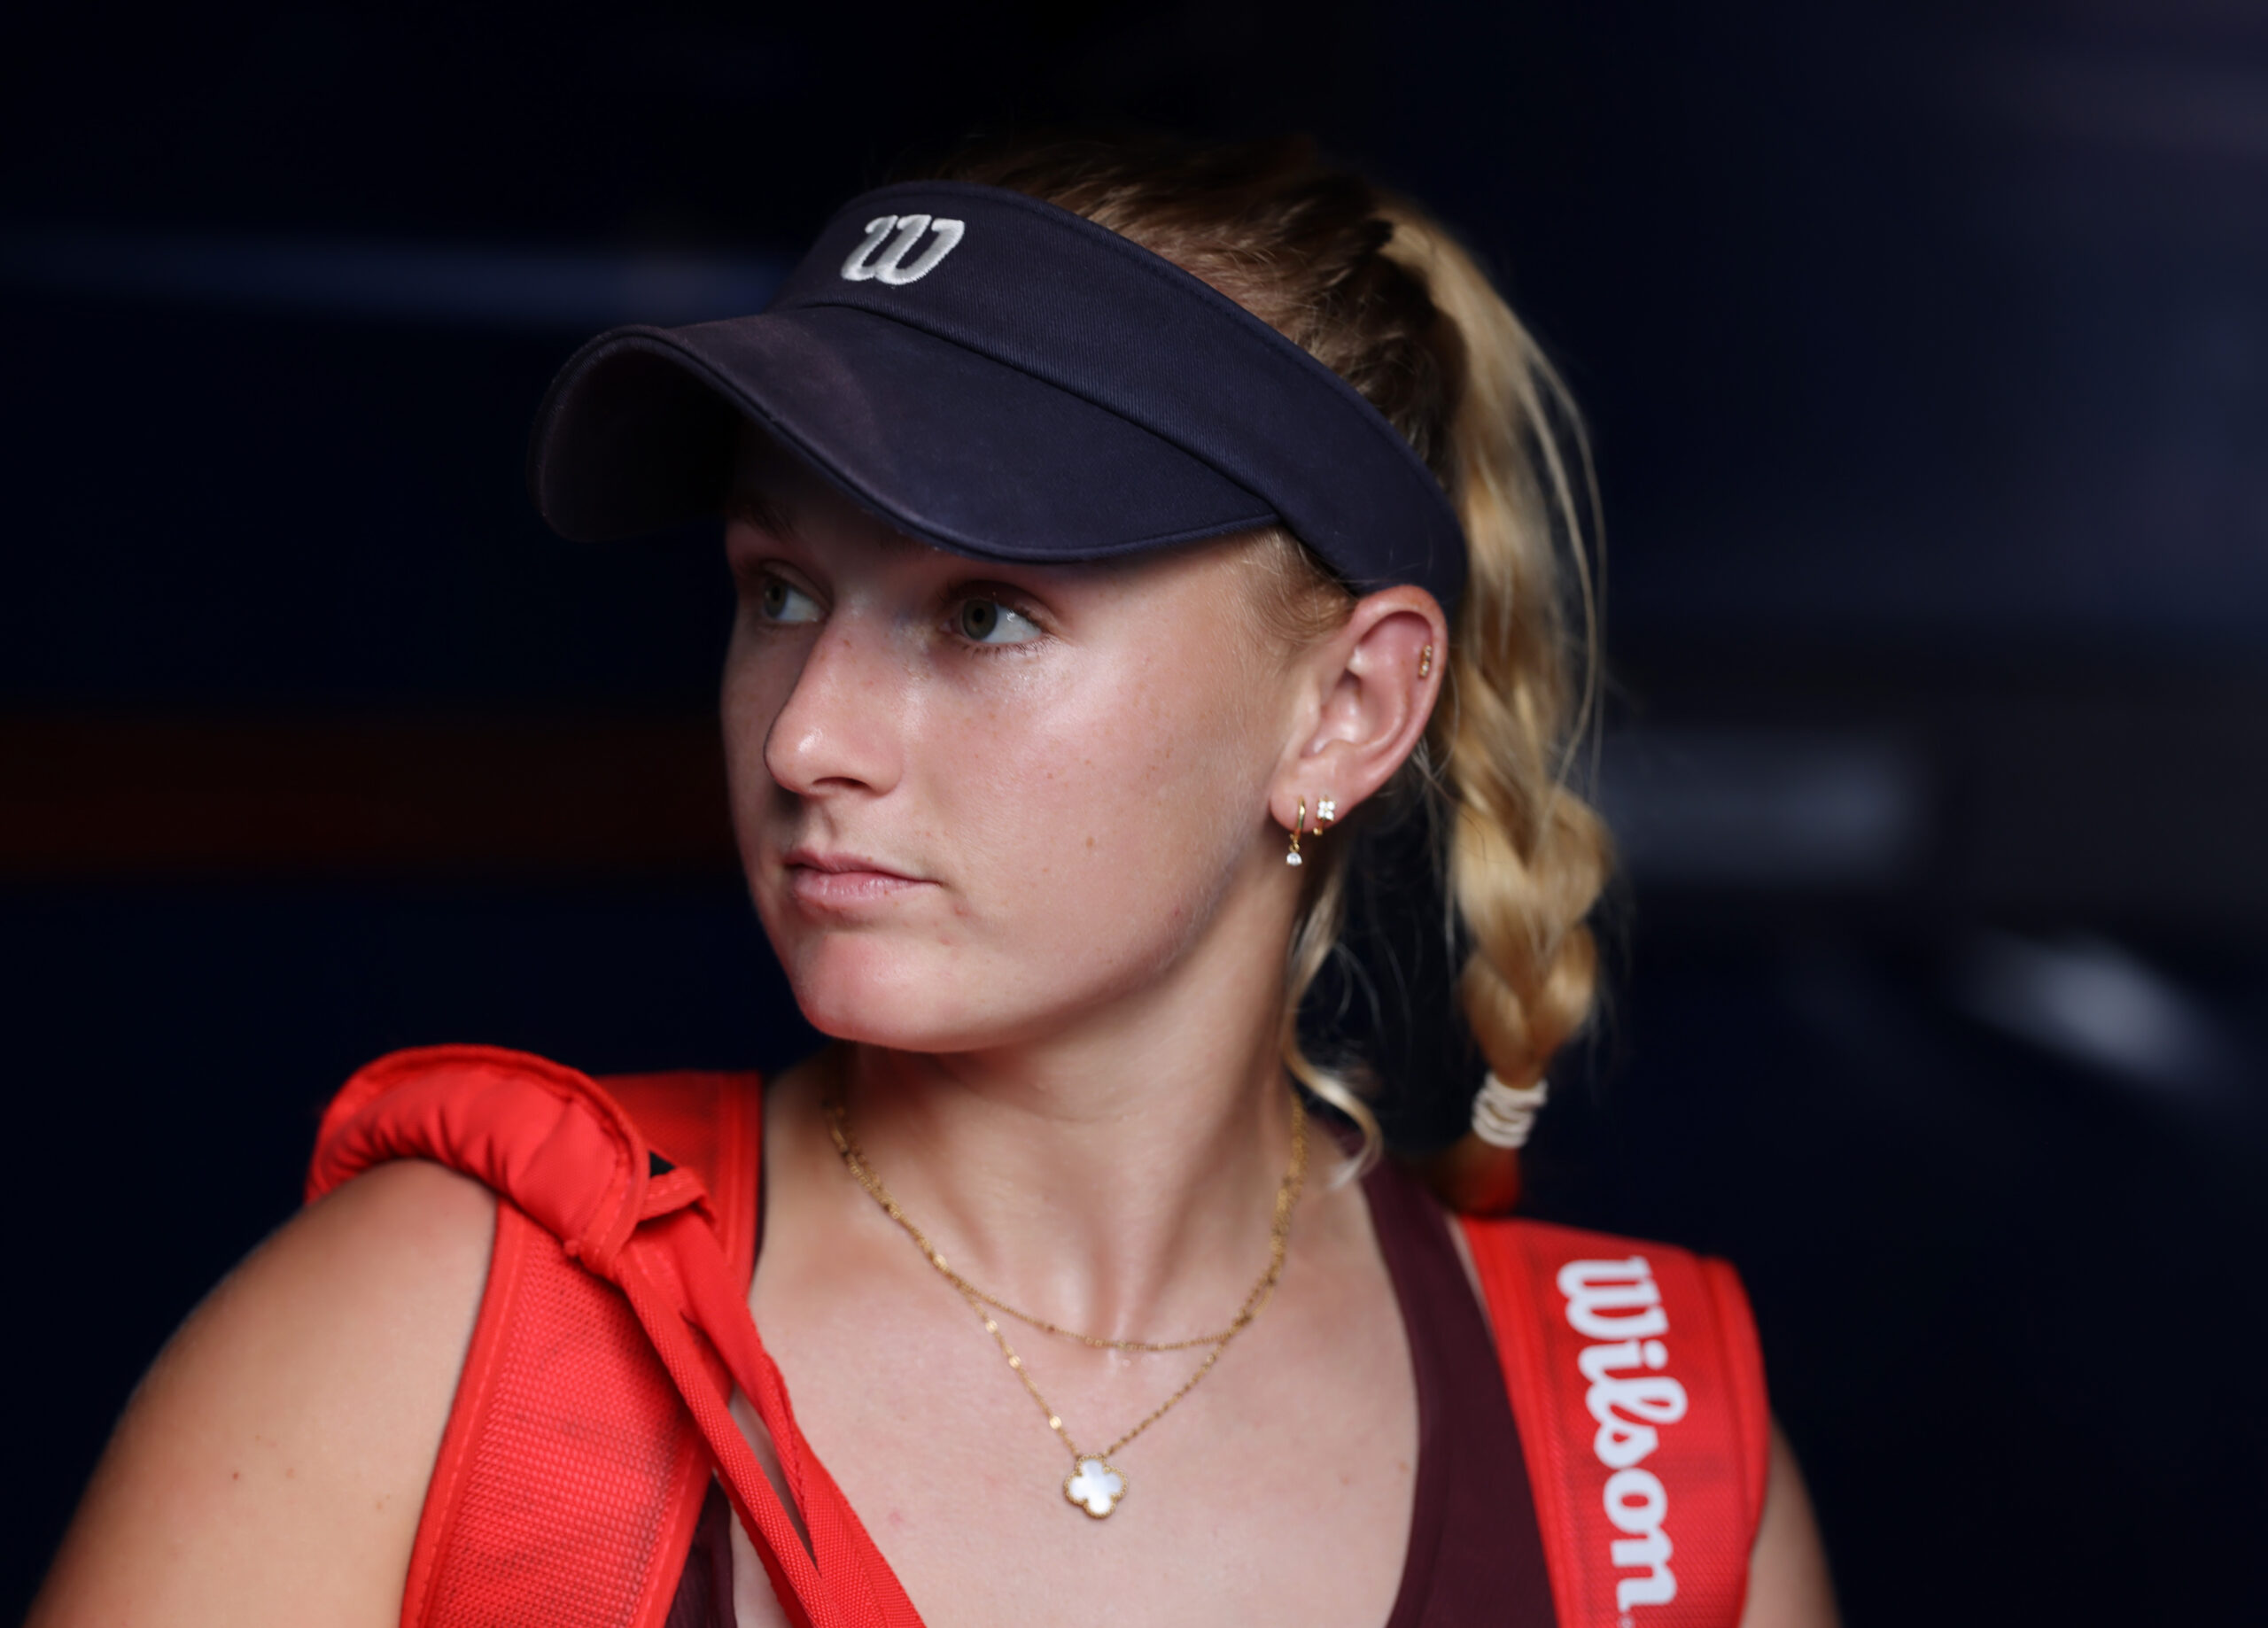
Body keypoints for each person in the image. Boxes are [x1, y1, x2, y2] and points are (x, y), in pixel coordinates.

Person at [29, 134, 1836, 1627]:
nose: (808, 734)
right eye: (780, 591)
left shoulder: (1645, 1463)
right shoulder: (442, 1338)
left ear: (1346, 709)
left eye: (985, 614)